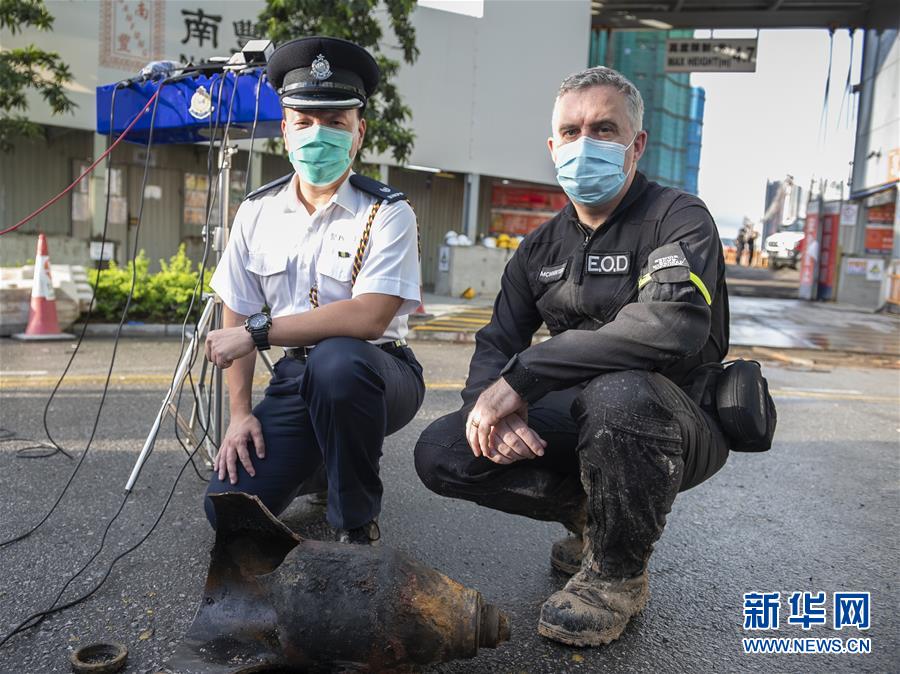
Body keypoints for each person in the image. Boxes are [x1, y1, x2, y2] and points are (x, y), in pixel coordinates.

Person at [414, 66, 732, 647]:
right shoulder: (540, 246)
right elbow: (497, 341)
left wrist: (528, 374)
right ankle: (597, 521)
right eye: (571, 130)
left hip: (677, 421)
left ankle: (616, 577)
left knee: (620, 391)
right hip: (589, 423)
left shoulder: (678, 219)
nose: (585, 144)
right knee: (444, 450)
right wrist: (486, 408)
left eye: (604, 129)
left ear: (635, 145)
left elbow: (671, 324)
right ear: (553, 145)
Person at [203, 36, 425, 545]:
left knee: (337, 363)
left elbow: (368, 317)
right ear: (285, 130)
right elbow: (233, 312)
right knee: (228, 512)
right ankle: (321, 456)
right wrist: (239, 416)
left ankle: (356, 523)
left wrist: (261, 331)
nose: (317, 134)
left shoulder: (388, 213)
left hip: (378, 371)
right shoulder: (256, 212)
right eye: (304, 121)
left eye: (334, 123)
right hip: (297, 377)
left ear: (359, 132)